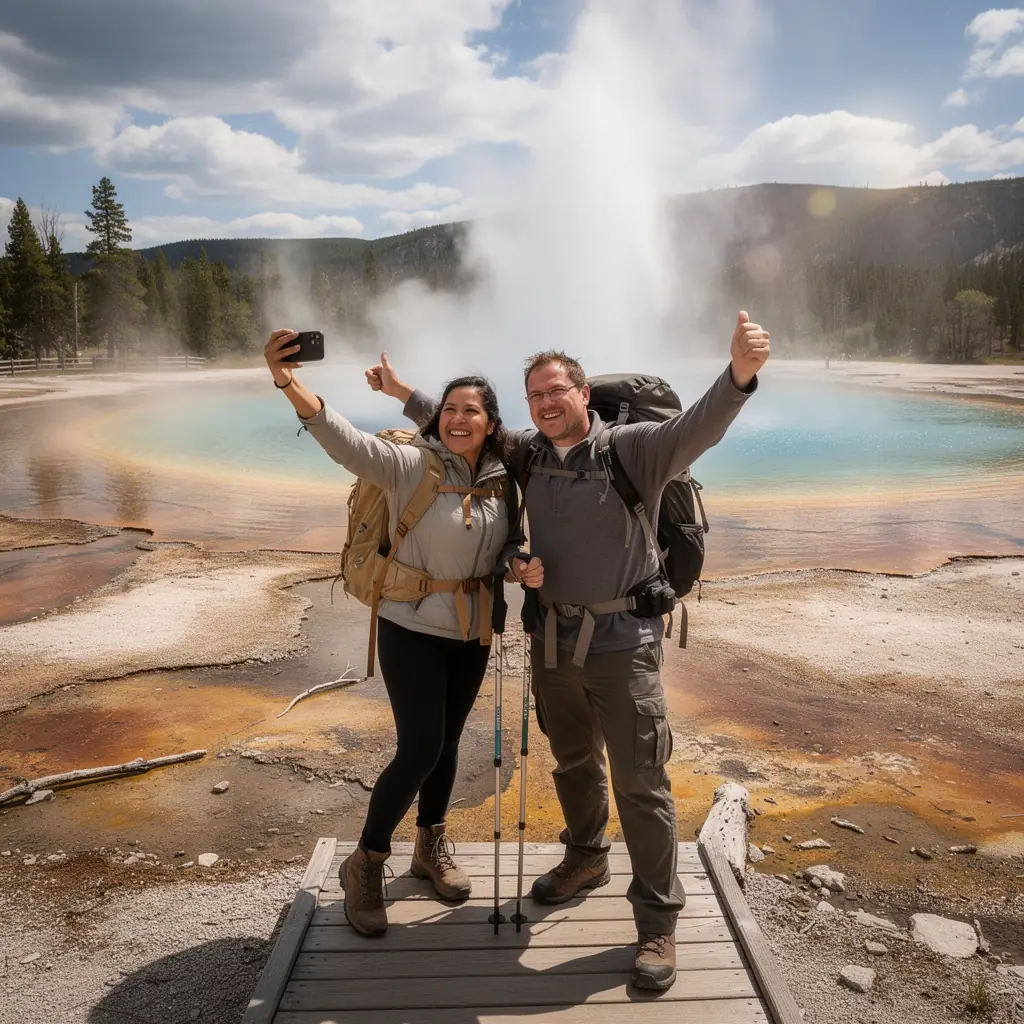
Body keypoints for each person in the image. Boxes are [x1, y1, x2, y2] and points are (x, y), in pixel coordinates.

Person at [366, 311, 770, 988]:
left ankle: (657, 925)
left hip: (623, 645)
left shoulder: (635, 449)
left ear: (584, 394)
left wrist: (739, 375)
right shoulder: (527, 452)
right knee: (573, 761)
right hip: (551, 640)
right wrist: (400, 391)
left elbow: (700, 424)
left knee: (642, 783)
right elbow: (467, 424)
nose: (547, 405)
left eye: (558, 392)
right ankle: (586, 855)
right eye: (535, 397)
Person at [264, 328, 544, 938]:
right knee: (419, 746)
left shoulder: (504, 479)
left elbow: (510, 542)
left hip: (471, 633)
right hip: (410, 626)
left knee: (445, 745)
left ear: (492, 423)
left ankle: (430, 844)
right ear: (437, 419)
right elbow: (346, 443)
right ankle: (365, 862)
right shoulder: (409, 463)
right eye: (449, 409)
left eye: (471, 410)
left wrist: (520, 562)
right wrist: (288, 382)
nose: (457, 418)